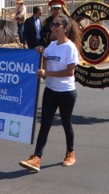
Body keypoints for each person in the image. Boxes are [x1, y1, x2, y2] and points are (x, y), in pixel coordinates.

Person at [19, 14, 79, 172]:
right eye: (52, 24)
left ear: (65, 28)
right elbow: (45, 59)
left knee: (66, 123)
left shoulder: (70, 47)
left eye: (57, 25)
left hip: (66, 92)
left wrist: (48, 74)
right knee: (45, 124)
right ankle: (36, 157)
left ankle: (70, 153)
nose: (53, 27)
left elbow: (69, 72)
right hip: (51, 91)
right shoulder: (52, 45)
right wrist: (40, 54)